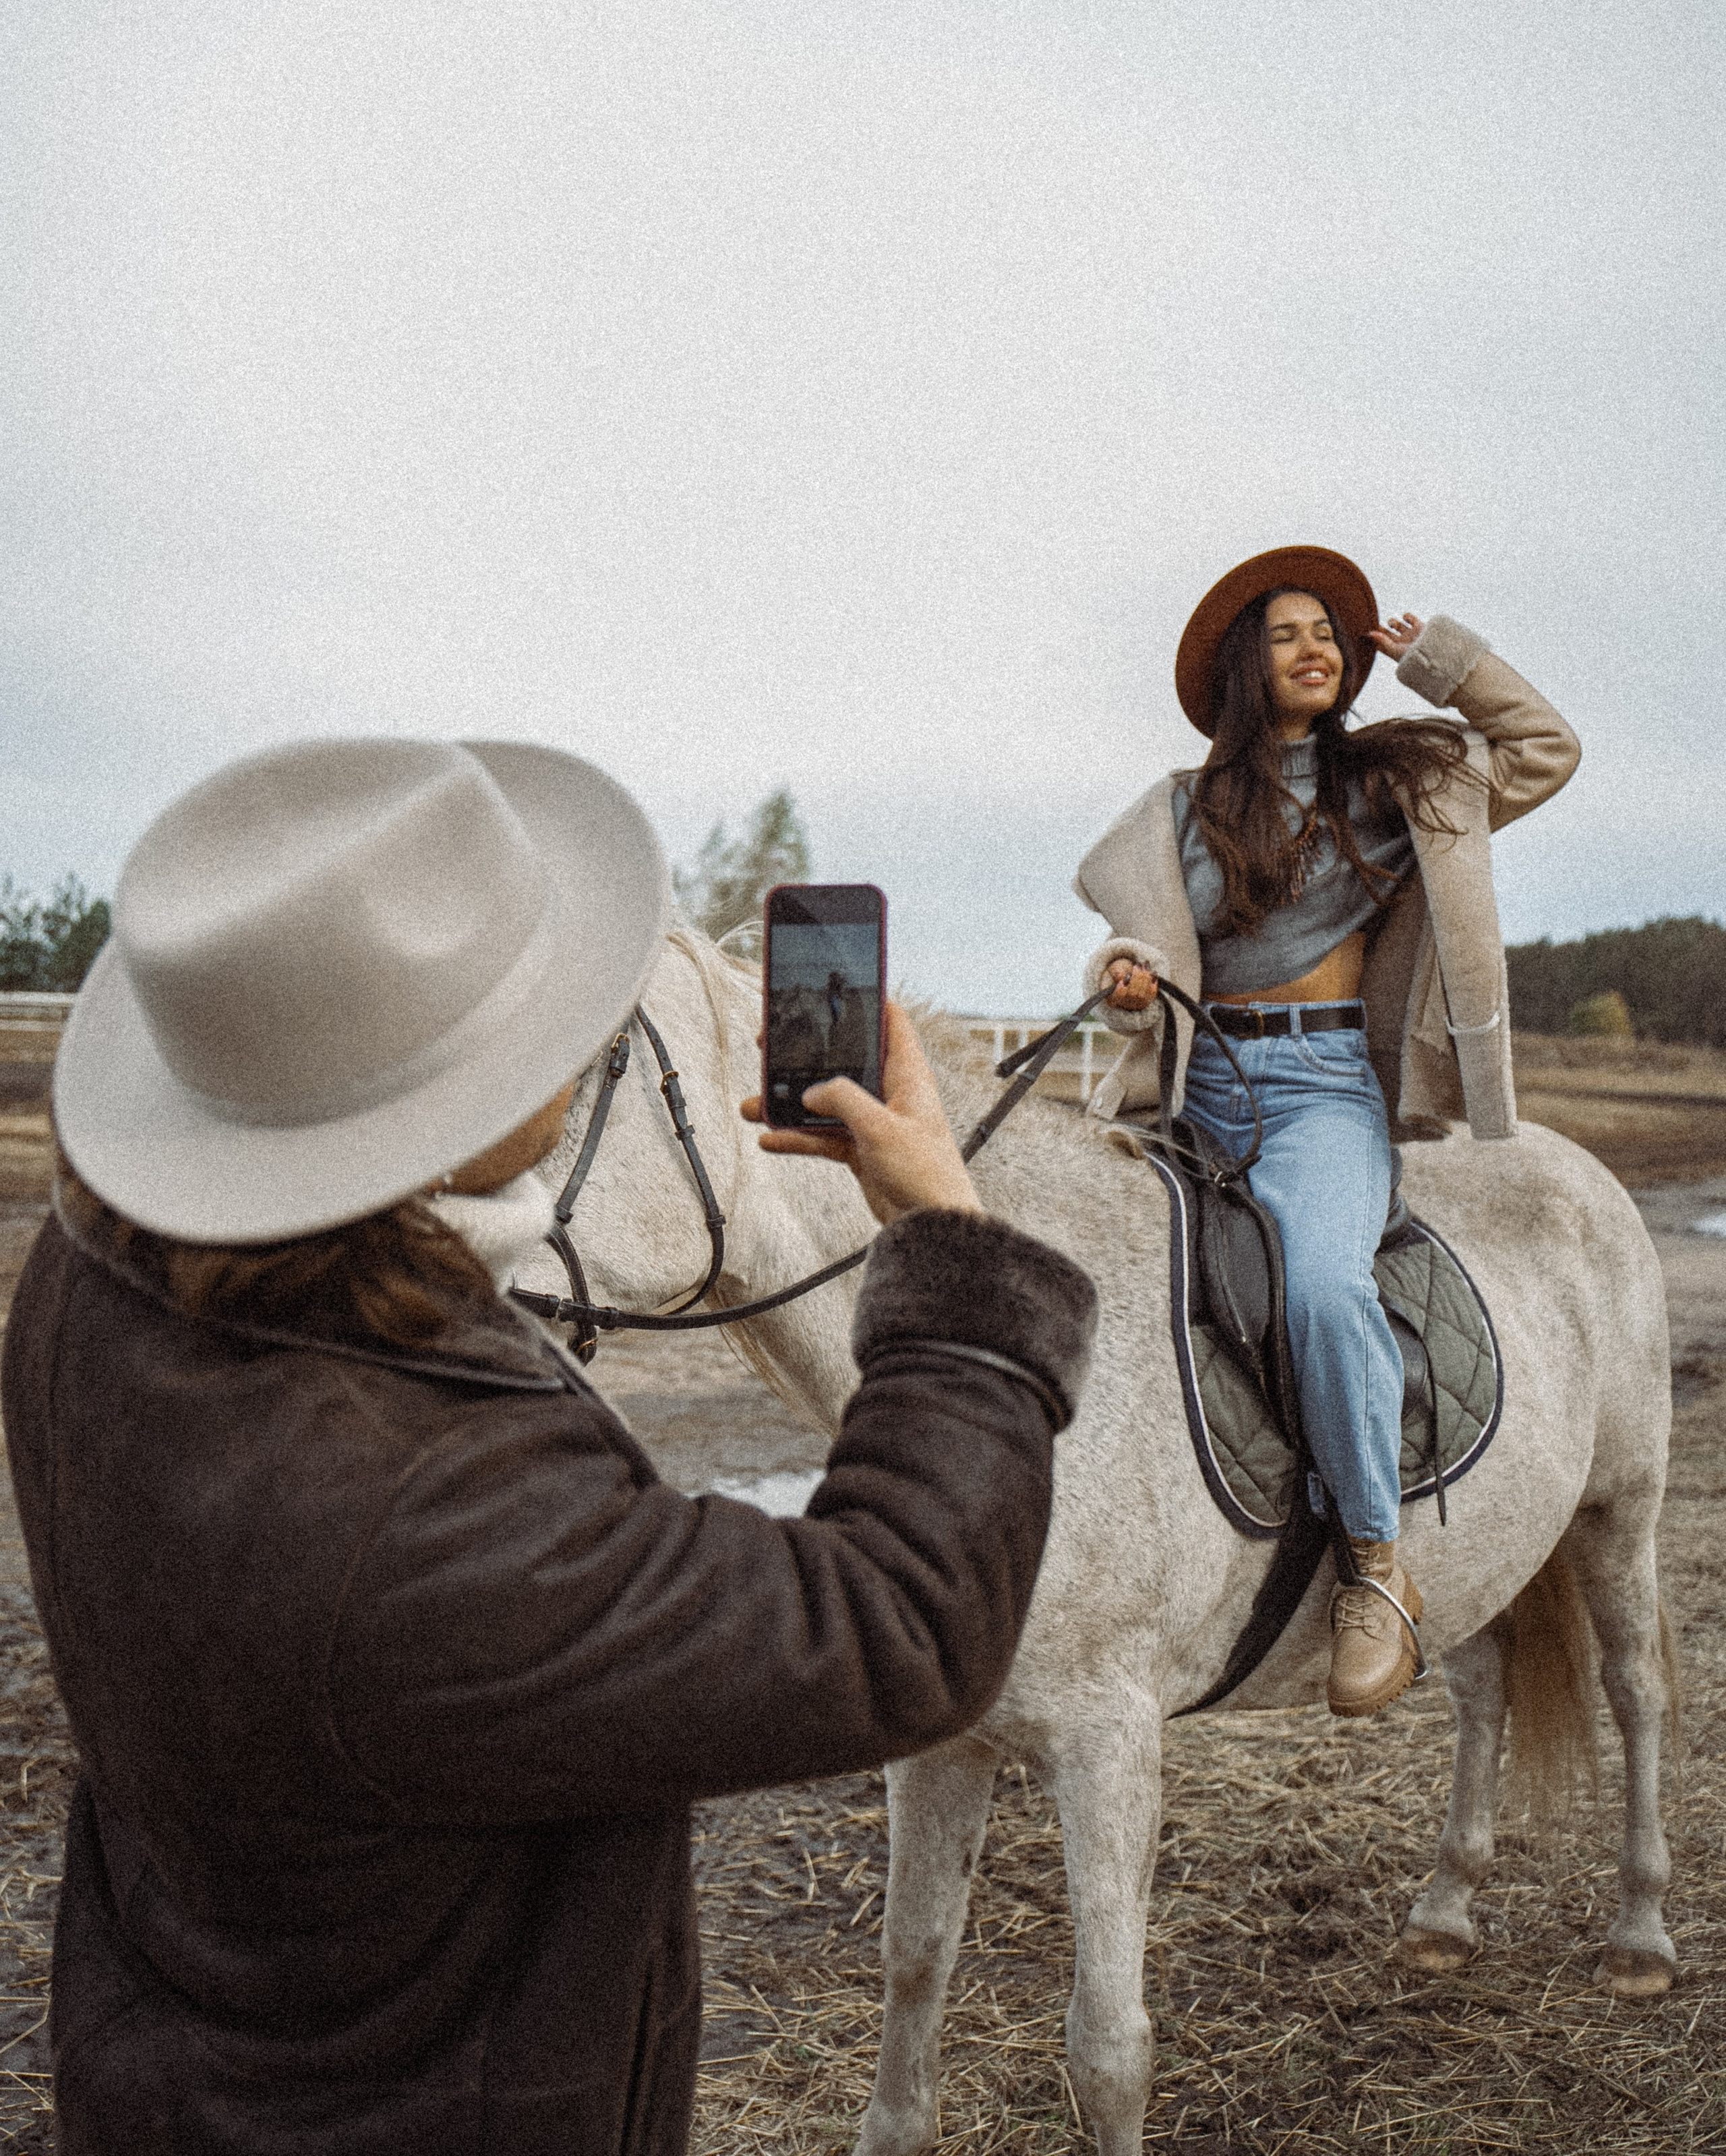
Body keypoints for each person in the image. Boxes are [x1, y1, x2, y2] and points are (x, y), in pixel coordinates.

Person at [5, 735, 1096, 2156]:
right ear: (429, 1123)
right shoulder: (414, 1520)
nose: (588, 1039)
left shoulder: (91, 1272)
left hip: (198, 2048)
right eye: (543, 1018)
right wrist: (953, 1249)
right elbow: (898, 1624)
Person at [1072, 547, 1578, 1718]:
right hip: (1197, 1085)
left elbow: (1548, 750)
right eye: (1288, 633)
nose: (1318, 647)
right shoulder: (1177, 811)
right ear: (1246, 667)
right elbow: (1132, 944)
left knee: (1319, 1294)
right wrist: (1126, 973)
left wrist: (1445, 664)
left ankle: (1374, 1566)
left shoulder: (1400, 782)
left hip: (1322, 1085)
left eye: (1329, 634)